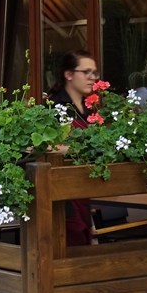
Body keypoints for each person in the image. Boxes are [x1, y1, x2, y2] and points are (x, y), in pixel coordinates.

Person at [46, 50, 98, 247]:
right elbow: (44, 146)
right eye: (86, 72)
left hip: (85, 186)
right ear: (69, 75)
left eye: (94, 73)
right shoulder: (53, 106)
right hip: (62, 190)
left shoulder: (91, 107)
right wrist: (72, 149)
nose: (92, 78)